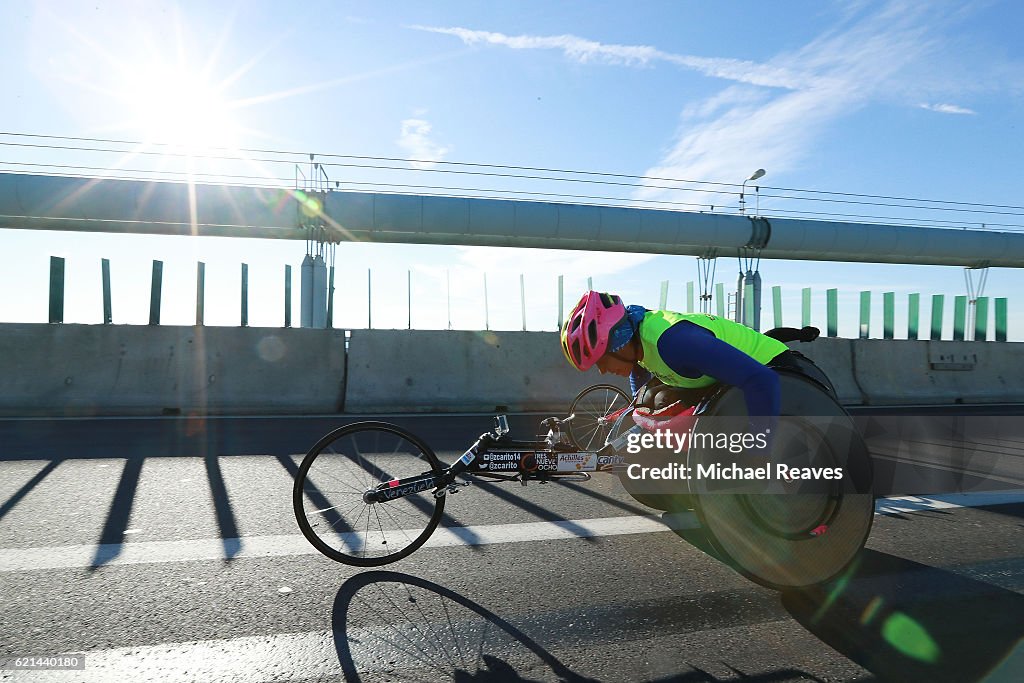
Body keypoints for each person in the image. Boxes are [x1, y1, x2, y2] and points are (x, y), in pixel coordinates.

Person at [560, 290, 807, 442]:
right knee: (655, 401)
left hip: (770, 370)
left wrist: (759, 450)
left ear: (619, 343)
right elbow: (640, 386)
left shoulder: (675, 342)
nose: (602, 371)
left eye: (601, 361)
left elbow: (762, 381)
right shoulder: (637, 346)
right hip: (721, 378)